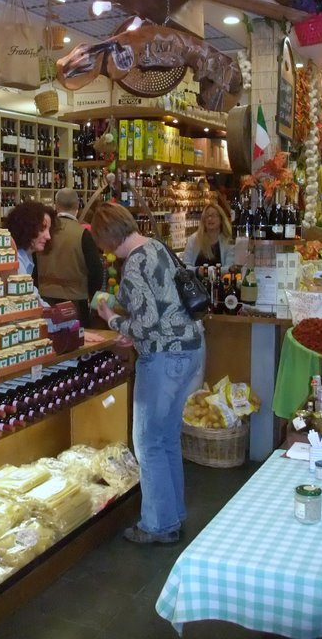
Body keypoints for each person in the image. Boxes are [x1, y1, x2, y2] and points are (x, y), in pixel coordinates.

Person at [92, 202, 205, 545]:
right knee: (167, 438)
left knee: (148, 443)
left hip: (163, 360)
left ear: (105, 237)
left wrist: (109, 317)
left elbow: (142, 324)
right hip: (191, 349)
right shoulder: (158, 247)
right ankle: (172, 513)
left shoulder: (134, 264)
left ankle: (157, 525)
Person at [36, 188, 105, 325]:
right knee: (77, 341)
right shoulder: (83, 234)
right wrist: (90, 294)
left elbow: (32, 266)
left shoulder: (42, 232)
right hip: (75, 301)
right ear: (78, 206)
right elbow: (96, 270)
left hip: (44, 299)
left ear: (56, 206)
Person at [5, 200, 53, 278]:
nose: (48, 236)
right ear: (26, 228)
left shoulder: (27, 256)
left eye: (49, 229)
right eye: (42, 229)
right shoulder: (16, 263)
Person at [183, 204, 234, 269]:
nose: (210, 219)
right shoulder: (193, 239)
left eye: (213, 215)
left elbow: (229, 267)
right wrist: (198, 271)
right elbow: (185, 266)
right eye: (207, 216)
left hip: (221, 278)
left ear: (221, 219)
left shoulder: (228, 241)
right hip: (197, 278)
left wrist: (211, 271)